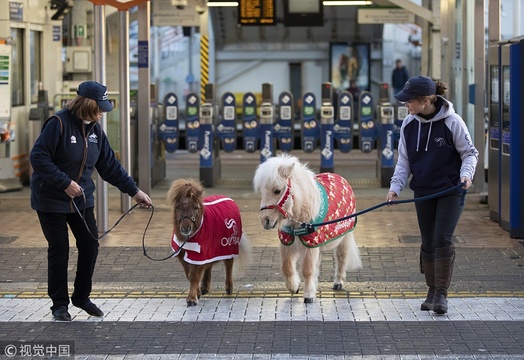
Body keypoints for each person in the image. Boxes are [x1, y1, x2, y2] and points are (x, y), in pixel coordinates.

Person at [30, 80, 152, 321]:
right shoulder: (58, 124)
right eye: (99, 109)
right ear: (87, 105)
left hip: (81, 200)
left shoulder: (95, 131)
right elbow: (38, 157)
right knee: (60, 249)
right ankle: (59, 305)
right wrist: (64, 182)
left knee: (90, 245)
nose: (102, 114)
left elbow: (110, 167)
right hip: (51, 200)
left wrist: (134, 192)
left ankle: (81, 296)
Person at [386, 76, 478, 315]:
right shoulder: (408, 124)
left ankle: (441, 295)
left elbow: (470, 153)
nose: (406, 105)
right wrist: (395, 187)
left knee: (441, 239)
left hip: (450, 190)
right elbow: (404, 161)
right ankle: (431, 291)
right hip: (424, 191)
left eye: (409, 102)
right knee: (427, 242)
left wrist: (466, 175)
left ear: (426, 100)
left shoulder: (452, 122)